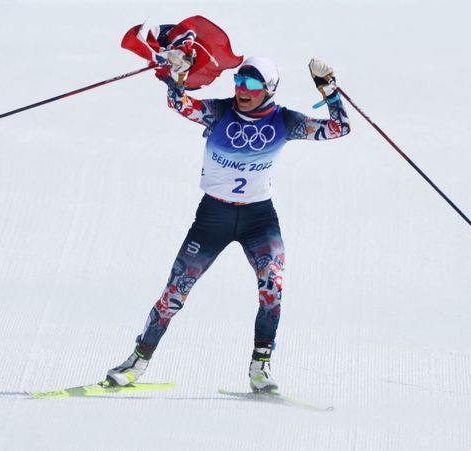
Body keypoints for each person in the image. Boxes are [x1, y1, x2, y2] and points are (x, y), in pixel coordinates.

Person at [105, 52, 350, 392]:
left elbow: (339, 128)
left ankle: (260, 369)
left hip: (258, 218)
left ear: (269, 89)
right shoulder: (220, 112)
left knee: (273, 288)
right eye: (238, 80)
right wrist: (178, 75)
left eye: (251, 83)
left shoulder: (285, 121)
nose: (242, 89)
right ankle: (137, 362)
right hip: (213, 217)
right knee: (175, 292)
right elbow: (180, 104)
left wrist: (328, 88)